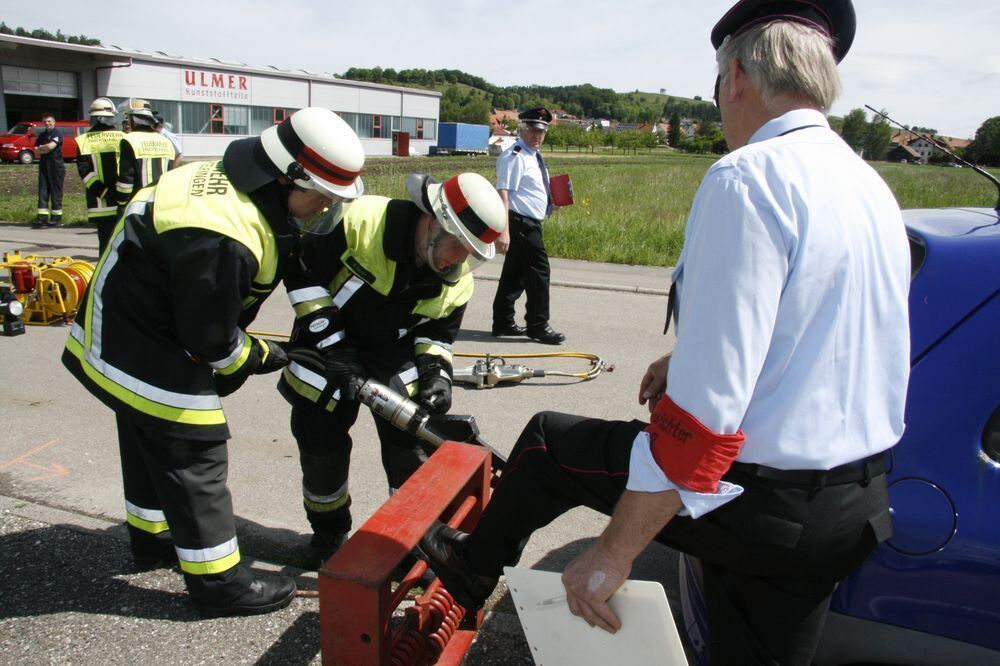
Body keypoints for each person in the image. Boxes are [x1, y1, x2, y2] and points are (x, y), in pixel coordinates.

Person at [419, 1, 912, 663]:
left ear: (735, 76)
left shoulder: (749, 178)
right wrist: (687, 357)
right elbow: (817, 325)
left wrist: (612, 552)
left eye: (716, 90)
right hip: (855, 507)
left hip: (759, 500)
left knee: (544, 444)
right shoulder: (869, 184)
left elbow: (708, 414)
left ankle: (473, 569)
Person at [62, 107, 366, 617]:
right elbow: (212, 343)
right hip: (145, 348)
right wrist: (266, 355)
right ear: (287, 176)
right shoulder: (225, 235)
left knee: (146, 438)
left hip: (117, 332)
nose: (321, 209)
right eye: (321, 196)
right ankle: (220, 583)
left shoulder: (229, 186)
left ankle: (155, 540)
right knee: (195, 451)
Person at [277, 172, 506, 568]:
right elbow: (301, 271)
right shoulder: (359, 220)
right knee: (321, 448)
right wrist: (335, 347)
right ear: (435, 222)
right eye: (458, 246)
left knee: (410, 450)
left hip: (392, 355)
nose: (460, 260)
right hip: (326, 343)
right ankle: (329, 534)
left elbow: (437, 334)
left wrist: (437, 373)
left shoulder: (456, 283)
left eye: (470, 253)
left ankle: (410, 542)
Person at [491, 106, 565, 344]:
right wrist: (504, 231)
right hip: (520, 223)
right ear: (522, 129)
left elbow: (531, 189)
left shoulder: (532, 155)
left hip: (528, 222)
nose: (538, 136)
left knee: (515, 275)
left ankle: (503, 322)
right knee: (539, 273)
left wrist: (552, 203)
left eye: (542, 132)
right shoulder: (515, 156)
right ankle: (538, 325)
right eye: (533, 130)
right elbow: (503, 192)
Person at [75, 98, 124, 253]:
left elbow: (84, 172)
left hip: (99, 205)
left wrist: (103, 193)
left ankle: (104, 277)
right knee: (124, 245)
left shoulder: (83, 141)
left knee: (105, 248)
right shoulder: (123, 137)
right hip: (122, 202)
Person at [115, 99, 176, 210]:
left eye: (128, 118)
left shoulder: (129, 140)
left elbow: (126, 177)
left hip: (138, 205)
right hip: (162, 203)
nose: (128, 122)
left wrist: (122, 202)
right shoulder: (166, 141)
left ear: (134, 119)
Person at [32, 113, 65, 229]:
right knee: (43, 191)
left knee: (56, 193)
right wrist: (43, 149)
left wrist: (43, 148)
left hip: (56, 166)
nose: (48, 123)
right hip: (44, 166)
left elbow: (50, 147)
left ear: (54, 122)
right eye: (45, 122)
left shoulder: (57, 133)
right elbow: (35, 150)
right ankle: (42, 218)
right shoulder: (42, 135)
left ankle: (56, 218)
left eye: (49, 121)